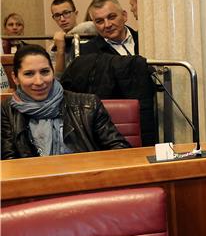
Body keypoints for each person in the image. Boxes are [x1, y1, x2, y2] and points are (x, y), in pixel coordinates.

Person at [1, 44, 130, 159]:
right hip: (34, 181)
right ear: (15, 78)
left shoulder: (89, 104)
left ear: (53, 72)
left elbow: (120, 148)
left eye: (45, 72)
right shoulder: (7, 109)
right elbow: (9, 160)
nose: (39, 81)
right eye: (29, 74)